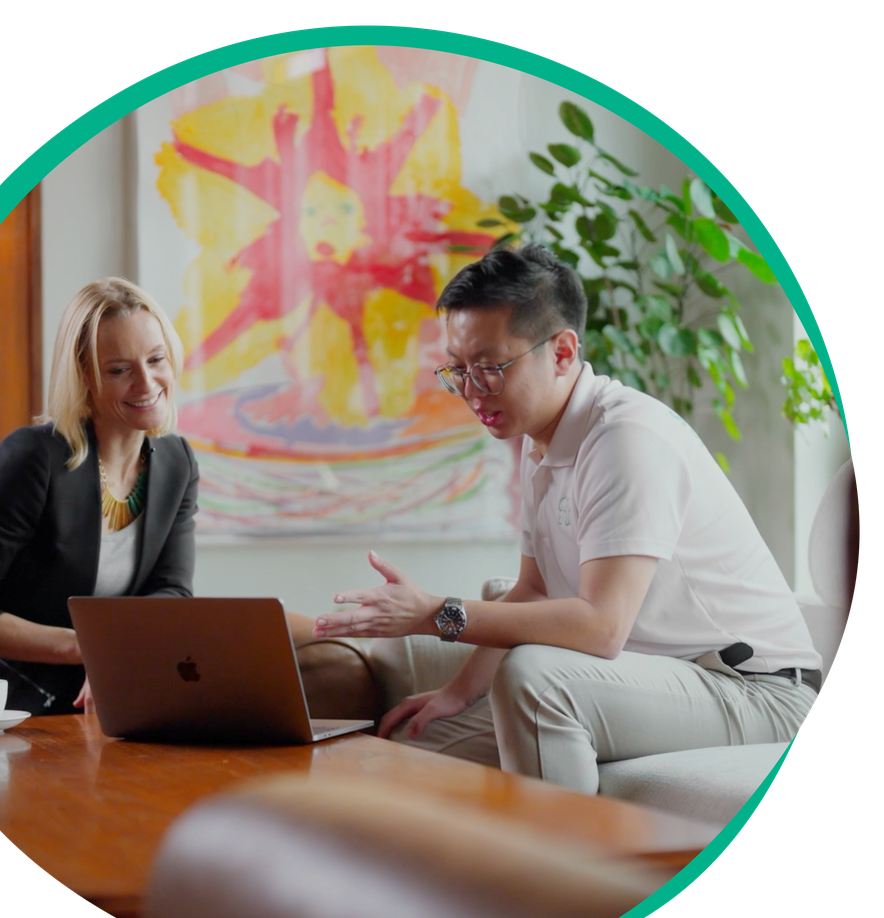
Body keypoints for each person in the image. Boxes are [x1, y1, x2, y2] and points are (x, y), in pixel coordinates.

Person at [313, 245, 820, 792]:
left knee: (535, 677)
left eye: (489, 368)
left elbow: (601, 627)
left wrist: (437, 614)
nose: (470, 392)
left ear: (561, 352)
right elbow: (533, 591)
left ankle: (568, 851)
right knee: (410, 745)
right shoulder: (542, 443)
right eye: (458, 370)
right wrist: (456, 694)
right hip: (660, 681)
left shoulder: (625, 438)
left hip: (758, 691)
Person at [0, 278, 199, 715]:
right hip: (4, 695)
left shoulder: (177, 462)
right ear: (84, 378)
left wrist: (119, 652)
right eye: (119, 370)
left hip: (108, 687)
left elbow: (172, 590)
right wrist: (91, 648)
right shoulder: (31, 459)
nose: (147, 382)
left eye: (156, 359)